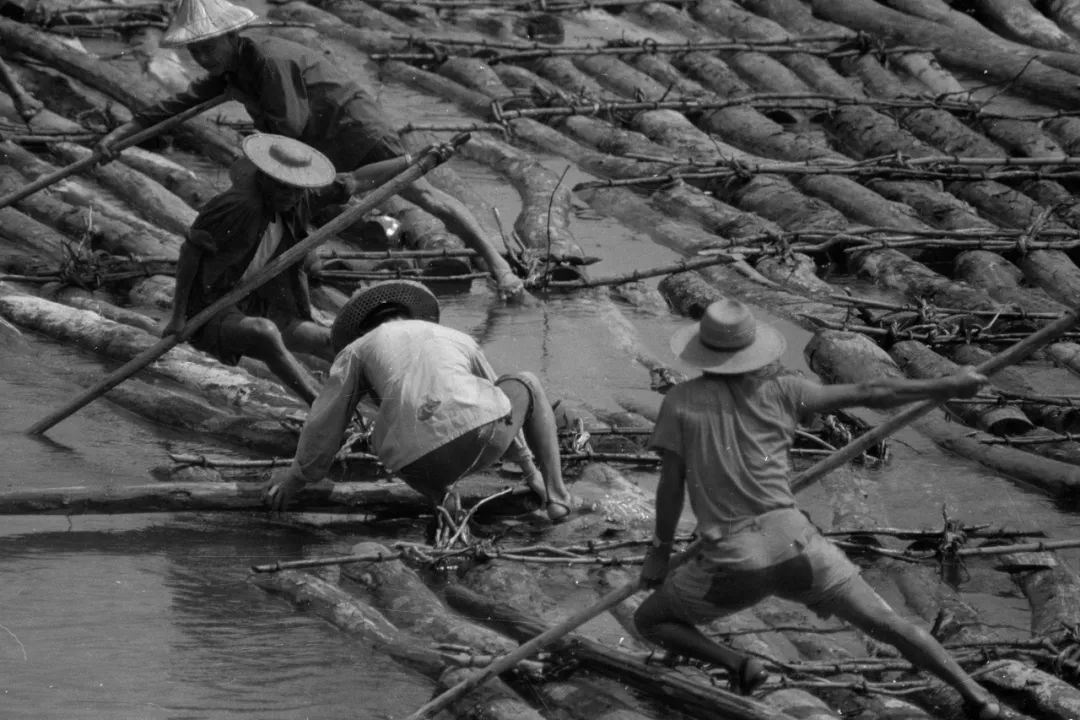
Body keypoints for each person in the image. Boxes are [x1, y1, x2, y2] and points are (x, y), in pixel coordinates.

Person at [632, 298, 1001, 719]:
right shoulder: (785, 390)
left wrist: (658, 554)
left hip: (736, 561)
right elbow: (871, 392)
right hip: (800, 547)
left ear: (704, 353)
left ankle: (740, 664)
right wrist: (948, 386)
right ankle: (977, 695)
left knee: (651, 620)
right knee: (889, 625)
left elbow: (671, 488)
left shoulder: (680, 402)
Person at [97, 0, 525, 302]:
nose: (201, 56)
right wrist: (119, 137)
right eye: (194, 50)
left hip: (353, 127)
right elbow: (174, 107)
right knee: (294, 204)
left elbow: (290, 127)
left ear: (231, 36)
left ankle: (498, 266)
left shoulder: (268, 61)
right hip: (313, 145)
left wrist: (260, 165)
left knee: (423, 195)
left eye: (207, 47)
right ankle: (303, 282)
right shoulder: (230, 71)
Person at [263, 280, 578, 524]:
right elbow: (498, 401)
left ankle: (441, 496)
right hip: (485, 438)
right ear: (408, 315)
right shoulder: (456, 337)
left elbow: (326, 421)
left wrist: (296, 479)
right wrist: (529, 470)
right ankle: (557, 495)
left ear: (362, 329)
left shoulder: (357, 349)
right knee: (527, 381)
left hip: (420, 465)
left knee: (383, 431)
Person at [166, 132, 412, 404]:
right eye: (283, 188)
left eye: (296, 190)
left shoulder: (298, 196)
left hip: (255, 301)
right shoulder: (237, 206)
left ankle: (395, 401)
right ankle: (319, 405)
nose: (290, 196)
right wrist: (178, 318)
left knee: (331, 341)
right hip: (208, 309)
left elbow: (354, 180)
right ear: (265, 179)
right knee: (264, 333)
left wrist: (412, 161)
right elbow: (190, 252)